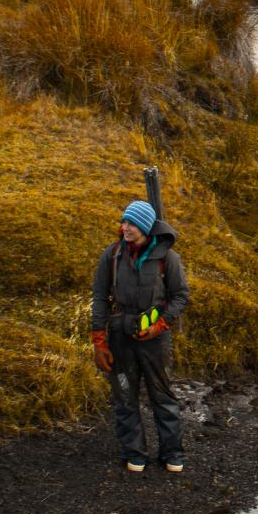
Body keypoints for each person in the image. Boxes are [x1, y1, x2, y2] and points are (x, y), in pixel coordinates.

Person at [90, 197, 189, 476]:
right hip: (120, 337)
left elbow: (180, 296)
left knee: (162, 396)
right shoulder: (112, 255)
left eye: (131, 223)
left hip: (155, 342)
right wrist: (99, 338)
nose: (125, 227)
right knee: (124, 396)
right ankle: (135, 454)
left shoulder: (167, 258)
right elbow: (99, 296)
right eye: (124, 222)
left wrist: (161, 324)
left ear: (146, 227)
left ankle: (172, 454)